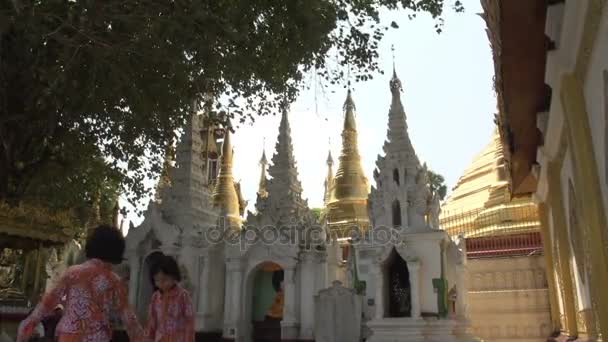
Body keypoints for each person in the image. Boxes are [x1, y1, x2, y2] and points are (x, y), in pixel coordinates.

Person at [17, 225, 143, 342]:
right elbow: (129, 319)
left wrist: (27, 327)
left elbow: (47, 303)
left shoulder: (72, 273)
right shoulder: (114, 280)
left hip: (68, 336)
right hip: (97, 337)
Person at [145, 255, 194, 342]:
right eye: (157, 280)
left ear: (174, 276)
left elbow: (189, 322)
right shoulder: (155, 297)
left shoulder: (183, 296)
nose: (161, 283)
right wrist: (149, 338)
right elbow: (152, 321)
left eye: (164, 279)